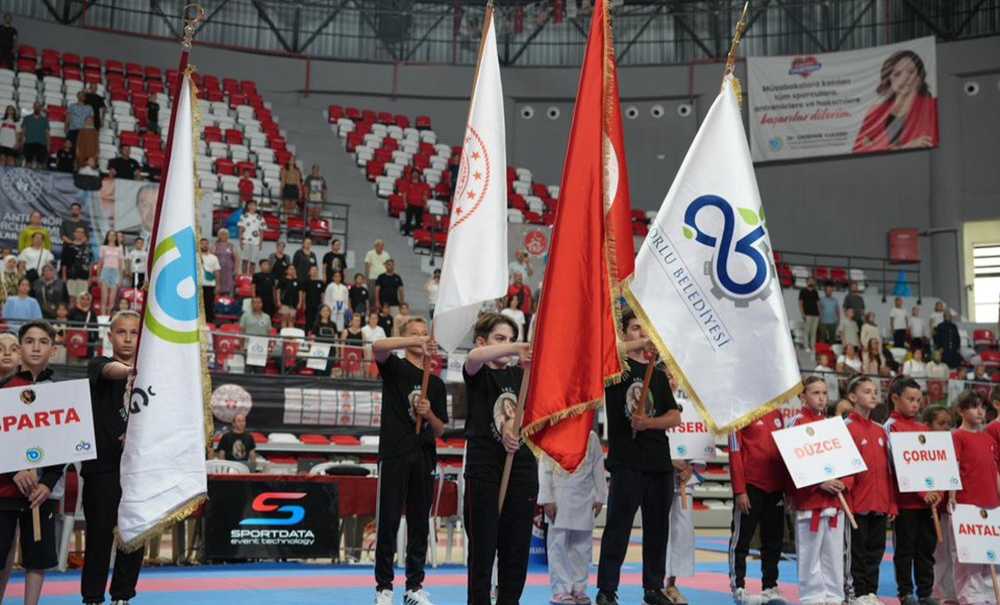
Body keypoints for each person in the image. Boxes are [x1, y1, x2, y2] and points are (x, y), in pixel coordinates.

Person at [597, 310, 680, 605]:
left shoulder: (656, 375)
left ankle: (653, 587)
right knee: (618, 526)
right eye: (635, 329)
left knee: (658, 528)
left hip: (658, 462)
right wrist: (643, 341)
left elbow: (674, 416)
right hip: (626, 461)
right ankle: (607, 589)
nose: (642, 336)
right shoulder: (616, 368)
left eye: (646, 331)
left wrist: (649, 424)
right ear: (624, 333)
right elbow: (605, 348)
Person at [371, 317, 447, 605]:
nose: (421, 339)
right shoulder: (396, 369)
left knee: (419, 522)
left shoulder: (436, 384)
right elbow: (378, 346)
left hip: (423, 455)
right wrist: (413, 341)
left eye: (424, 334)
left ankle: (414, 586)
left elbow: (440, 429)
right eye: (414, 335)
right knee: (388, 520)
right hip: (394, 452)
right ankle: (384, 587)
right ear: (405, 339)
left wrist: (428, 414)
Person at [462, 313, 537, 605]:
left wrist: (513, 430)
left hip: (520, 468)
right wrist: (516, 348)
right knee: (482, 551)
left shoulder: (523, 376)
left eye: (511, 339)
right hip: (485, 470)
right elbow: (473, 357)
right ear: (484, 341)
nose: (507, 345)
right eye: (500, 339)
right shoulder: (478, 372)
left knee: (516, 551)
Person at [81, 311, 144, 605]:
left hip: (140, 468)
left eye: (134, 332)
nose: (129, 339)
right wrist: (133, 371)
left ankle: (122, 596)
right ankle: (92, 597)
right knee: (99, 537)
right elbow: (113, 371)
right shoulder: (98, 365)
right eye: (122, 332)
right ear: (110, 335)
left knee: (134, 536)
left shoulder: (153, 377)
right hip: (103, 468)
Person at [0, 321, 64, 605]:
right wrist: (13, 470)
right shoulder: (4, 389)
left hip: (41, 492)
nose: (36, 347)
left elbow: (64, 443)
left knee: (37, 557)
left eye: (42, 341)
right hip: (5, 489)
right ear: (20, 348)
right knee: (0, 554)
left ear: (53, 349)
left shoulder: (62, 394)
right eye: (28, 341)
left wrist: (48, 482)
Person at [787, 376, 853, 605]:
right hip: (810, 499)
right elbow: (792, 462)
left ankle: (835, 596)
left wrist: (844, 482)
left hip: (835, 501)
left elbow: (847, 460)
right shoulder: (796, 423)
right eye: (815, 393)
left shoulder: (833, 425)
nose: (821, 398)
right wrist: (818, 484)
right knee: (809, 553)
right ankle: (812, 597)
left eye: (824, 393)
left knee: (834, 554)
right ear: (802, 396)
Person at [882, 377, 941, 605]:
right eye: (910, 399)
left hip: (927, 502)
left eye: (918, 400)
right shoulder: (890, 427)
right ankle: (905, 592)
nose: (915, 404)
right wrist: (919, 493)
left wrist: (936, 491)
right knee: (905, 550)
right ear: (895, 398)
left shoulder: (923, 428)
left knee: (926, 549)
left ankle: (925, 592)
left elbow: (933, 463)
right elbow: (896, 464)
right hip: (905, 501)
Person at [843, 375, 897, 604]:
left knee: (875, 551)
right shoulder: (846, 427)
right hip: (857, 503)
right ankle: (856, 592)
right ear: (853, 397)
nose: (873, 395)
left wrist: (892, 502)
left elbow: (889, 470)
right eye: (867, 391)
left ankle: (870, 592)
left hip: (880, 502)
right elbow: (844, 466)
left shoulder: (880, 430)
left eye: (875, 391)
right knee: (856, 552)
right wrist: (847, 500)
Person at [728, 403, 786, 605]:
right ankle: (739, 587)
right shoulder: (741, 413)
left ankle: (770, 586)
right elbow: (735, 453)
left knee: (773, 541)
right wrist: (739, 490)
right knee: (741, 539)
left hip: (776, 487)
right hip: (751, 487)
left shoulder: (778, 413)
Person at [539, 431, 606, 605]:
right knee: (558, 545)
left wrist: (600, 495)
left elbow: (598, 466)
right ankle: (561, 590)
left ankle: (579, 588)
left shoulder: (590, 437)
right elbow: (545, 468)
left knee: (582, 547)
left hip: (585, 495)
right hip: (559, 493)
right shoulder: (552, 434)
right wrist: (547, 498)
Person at [949, 391, 1000, 604]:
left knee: (990, 551)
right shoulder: (956, 436)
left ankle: (988, 592)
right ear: (961, 410)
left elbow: (994, 469)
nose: (980, 411)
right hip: (966, 503)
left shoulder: (988, 438)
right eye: (973, 406)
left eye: (983, 407)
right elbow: (953, 467)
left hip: (991, 501)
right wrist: (952, 495)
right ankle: (967, 595)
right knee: (967, 554)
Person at [853, 50, 938, 153]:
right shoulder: (876, 112)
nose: (905, 78)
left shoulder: (932, 106)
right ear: (889, 80)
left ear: (919, 77)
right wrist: (905, 147)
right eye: (897, 74)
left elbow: (930, 141)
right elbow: (860, 150)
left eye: (911, 72)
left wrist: (877, 146)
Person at [924, 404, 957, 605]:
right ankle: (934, 592)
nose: (946, 428)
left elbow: (953, 474)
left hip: (947, 505)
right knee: (935, 552)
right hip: (928, 505)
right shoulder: (923, 447)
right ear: (927, 426)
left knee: (950, 551)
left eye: (949, 424)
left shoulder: (949, 446)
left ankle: (951, 592)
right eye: (941, 424)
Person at [97, 230, 124, 314]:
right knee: (104, 298)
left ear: (116, 237)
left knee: (112, 299)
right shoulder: (103, 247)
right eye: (110, 235)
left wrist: (120, 278)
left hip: (115, 272)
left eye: (114, 235)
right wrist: (98, 277)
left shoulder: (119, 248)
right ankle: (102, 318)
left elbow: (120, 265)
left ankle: (109, 318)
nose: (112, 237)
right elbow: (100, 263)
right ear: (107, 237)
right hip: (106, 271)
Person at [237, 200, 264, 275]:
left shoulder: (260, 217)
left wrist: (261, 243)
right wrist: (240, 242)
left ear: (256, 207)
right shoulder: (243, 216)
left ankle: (251, 276)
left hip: (256, 242)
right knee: (245, 260)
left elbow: (261, 231)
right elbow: (241, 230)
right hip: (245, 241)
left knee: (253, 261)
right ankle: (244, 275)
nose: (252, 207)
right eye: (251, 205)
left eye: (254, 205)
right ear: (248, 206)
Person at [68, 292, 99, 357]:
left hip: (88, 341)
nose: (85, 301)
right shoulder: (73, 311)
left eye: (87, 299)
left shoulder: (92, 313)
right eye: (82, 298)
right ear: (79, 299)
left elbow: (96, 327)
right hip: (75, 340)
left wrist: (96, 340)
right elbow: (68, 325)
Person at [20, 103, 49, 170]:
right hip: (29, 142)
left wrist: (48, 145)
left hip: (42, 143)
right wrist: (21, 142)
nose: (37, 108)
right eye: (36, 106)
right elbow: (23, 131)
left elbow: (47, 133)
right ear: (33, 107)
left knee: (40, 165)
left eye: (39, 107)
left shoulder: (45, 119)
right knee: (28, 163)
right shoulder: (27, 118)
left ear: (41, 108)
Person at [199, 238, 220, 324]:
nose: (204, 245)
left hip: (209, 285)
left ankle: (209, 323)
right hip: (197, 285)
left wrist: (218, 286)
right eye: (202, 243)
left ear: (208, 245)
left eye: (206, 243)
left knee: (208, 306)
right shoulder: (194, 256)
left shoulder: (214, 258)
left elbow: (217, 272)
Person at [213, 229, 238, 296]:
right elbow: (211, 256)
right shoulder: (215, 245)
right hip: (218, 270)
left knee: (229, 285)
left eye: (225, 234)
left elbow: (236, 258)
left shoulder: (231, 245)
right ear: (218, 236)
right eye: (222, 234)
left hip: (228, 270)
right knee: (218, 284)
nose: (223, 236)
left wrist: (236, 269)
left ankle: (229, 300)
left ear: (228, 236)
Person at [403, 171, 428, 236]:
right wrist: (405, 203)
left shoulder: (423, 185)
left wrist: (425, 204)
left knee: (418, 221)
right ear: (412, 175)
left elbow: (424, 196)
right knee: (408, 219)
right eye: (414, 174)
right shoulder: (408, 184)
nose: (415, 175)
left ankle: (417, 234)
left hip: (419, 205)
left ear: (419, 176)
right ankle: (406, 232)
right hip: (410, 204)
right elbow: (405, 194)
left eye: (416, 174)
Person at [799, 277, 820, 351]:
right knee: (806, 331)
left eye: (812, 281)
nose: (811, 282)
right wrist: (803, 314)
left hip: (816, 315)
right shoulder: (803, 291)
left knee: (813, 332)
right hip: (807, 314)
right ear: (807, 282)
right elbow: (800, 303)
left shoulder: (815, 292)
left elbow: (818, 303)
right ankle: (806, 346)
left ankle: (813, 347)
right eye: (810, 281)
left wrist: (819, 313)